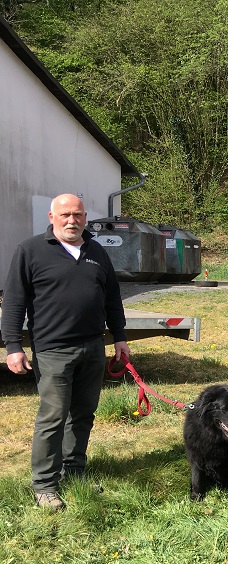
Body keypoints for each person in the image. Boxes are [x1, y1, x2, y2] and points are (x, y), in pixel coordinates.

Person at [2, 194, 130, 511]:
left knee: (83, 415)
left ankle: (74, 473)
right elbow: (14, 302)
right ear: (52, 216)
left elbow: (112, 298)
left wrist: (120, 338)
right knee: (53, 418)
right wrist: (14, 346)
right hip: (52, 350)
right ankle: (45, 485)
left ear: (85, 217)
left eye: (77, 214)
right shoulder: (30, 251)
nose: (71, 220)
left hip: (92, 347)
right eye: (64, 215)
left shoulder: (97, 251)